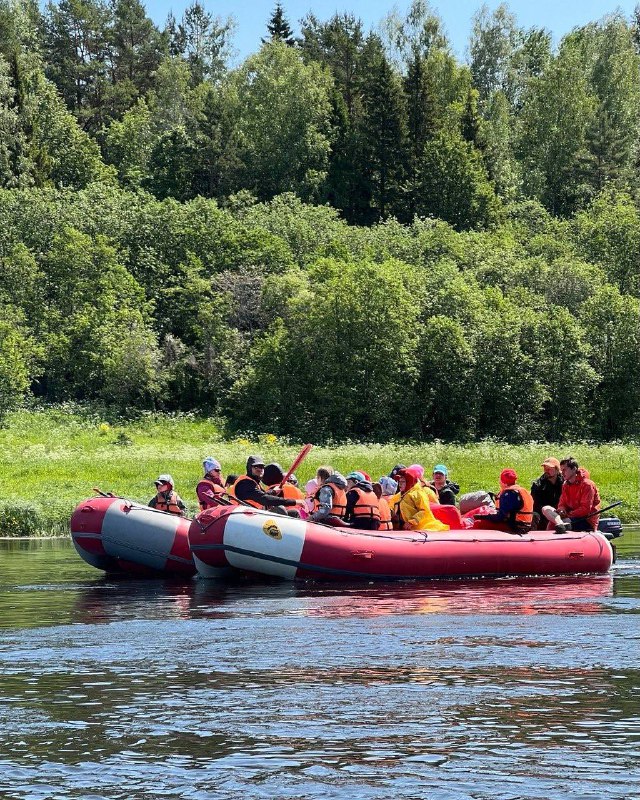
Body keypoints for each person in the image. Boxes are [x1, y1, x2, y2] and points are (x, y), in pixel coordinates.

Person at [541, 457, 601, 534]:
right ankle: (560, 524)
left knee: (554, 524)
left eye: (564, 470)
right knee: (546, 509)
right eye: (561, 470)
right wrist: (562, 510)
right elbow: (562, 503)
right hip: (569, 516)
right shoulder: (565, 484)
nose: (562, 473)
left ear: (574, 469)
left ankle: (560, 525)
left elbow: (585, 509)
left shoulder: (587, 485)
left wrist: (568, 515)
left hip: (585, 520)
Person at [230, 456, 301, 514]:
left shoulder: (253, 482)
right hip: (240, 515)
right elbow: (264, 499)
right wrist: (294, 502)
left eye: (261, 467)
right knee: (280, 509)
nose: (259, 469)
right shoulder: (245, 483)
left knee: (293, 513)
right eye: (256, 467)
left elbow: (259, 495)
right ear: (249, 468)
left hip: (252, 515)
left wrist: (273, 492)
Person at [474, 469, 533, 534]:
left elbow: (500, 517)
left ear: (503, 482)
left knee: (478, 523)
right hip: (525, 526)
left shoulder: (508, 494)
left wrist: (483, 517)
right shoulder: (522, 491)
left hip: (515, 527)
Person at [392, 467, 449, 532]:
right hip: (407, 529)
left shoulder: (418, 493)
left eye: (403, 481)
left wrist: (411, 522)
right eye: (399, 481)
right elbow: (391, 506)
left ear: (409, 482)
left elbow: (424, 510)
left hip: (423, 527)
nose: (400, 484)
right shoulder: (398, 495)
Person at [530, 457, 563, 528]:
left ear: (557, 470)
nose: (546, 471)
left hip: (562, 512)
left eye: (549, 469)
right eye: (545, 469)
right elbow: (536, 505)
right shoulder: (538, 484)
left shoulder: (564, 483)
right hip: (544, 515)